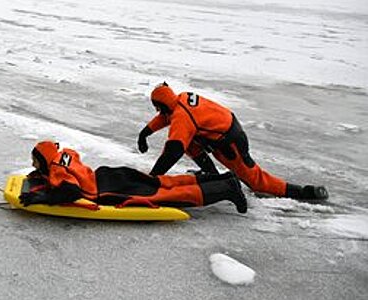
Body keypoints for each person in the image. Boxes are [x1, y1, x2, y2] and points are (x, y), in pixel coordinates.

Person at [136, 82, 328, 201]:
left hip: (230, 141)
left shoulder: (182, 117)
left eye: (157, 107)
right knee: (189, 143)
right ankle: (211, 175)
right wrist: (145, 133)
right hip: (222, 131)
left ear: (162, 104)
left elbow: (173, 151)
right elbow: (165, 117)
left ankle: (304, 192)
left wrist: (152, 178)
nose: (157, 112)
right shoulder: (180, 100)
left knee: (256, 181)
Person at [19, 141, 248, 213]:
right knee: (164, 182)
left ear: (45, 160)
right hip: (112, 174)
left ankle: (228, 189)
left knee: (171, 194)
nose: (33, 165)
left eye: (36, 161)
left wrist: (41, 198)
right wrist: (43, 171)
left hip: (111, 191)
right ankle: (226, 178)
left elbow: (71, 191)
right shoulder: (65, 155)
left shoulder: (57, 170)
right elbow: (68, 167)